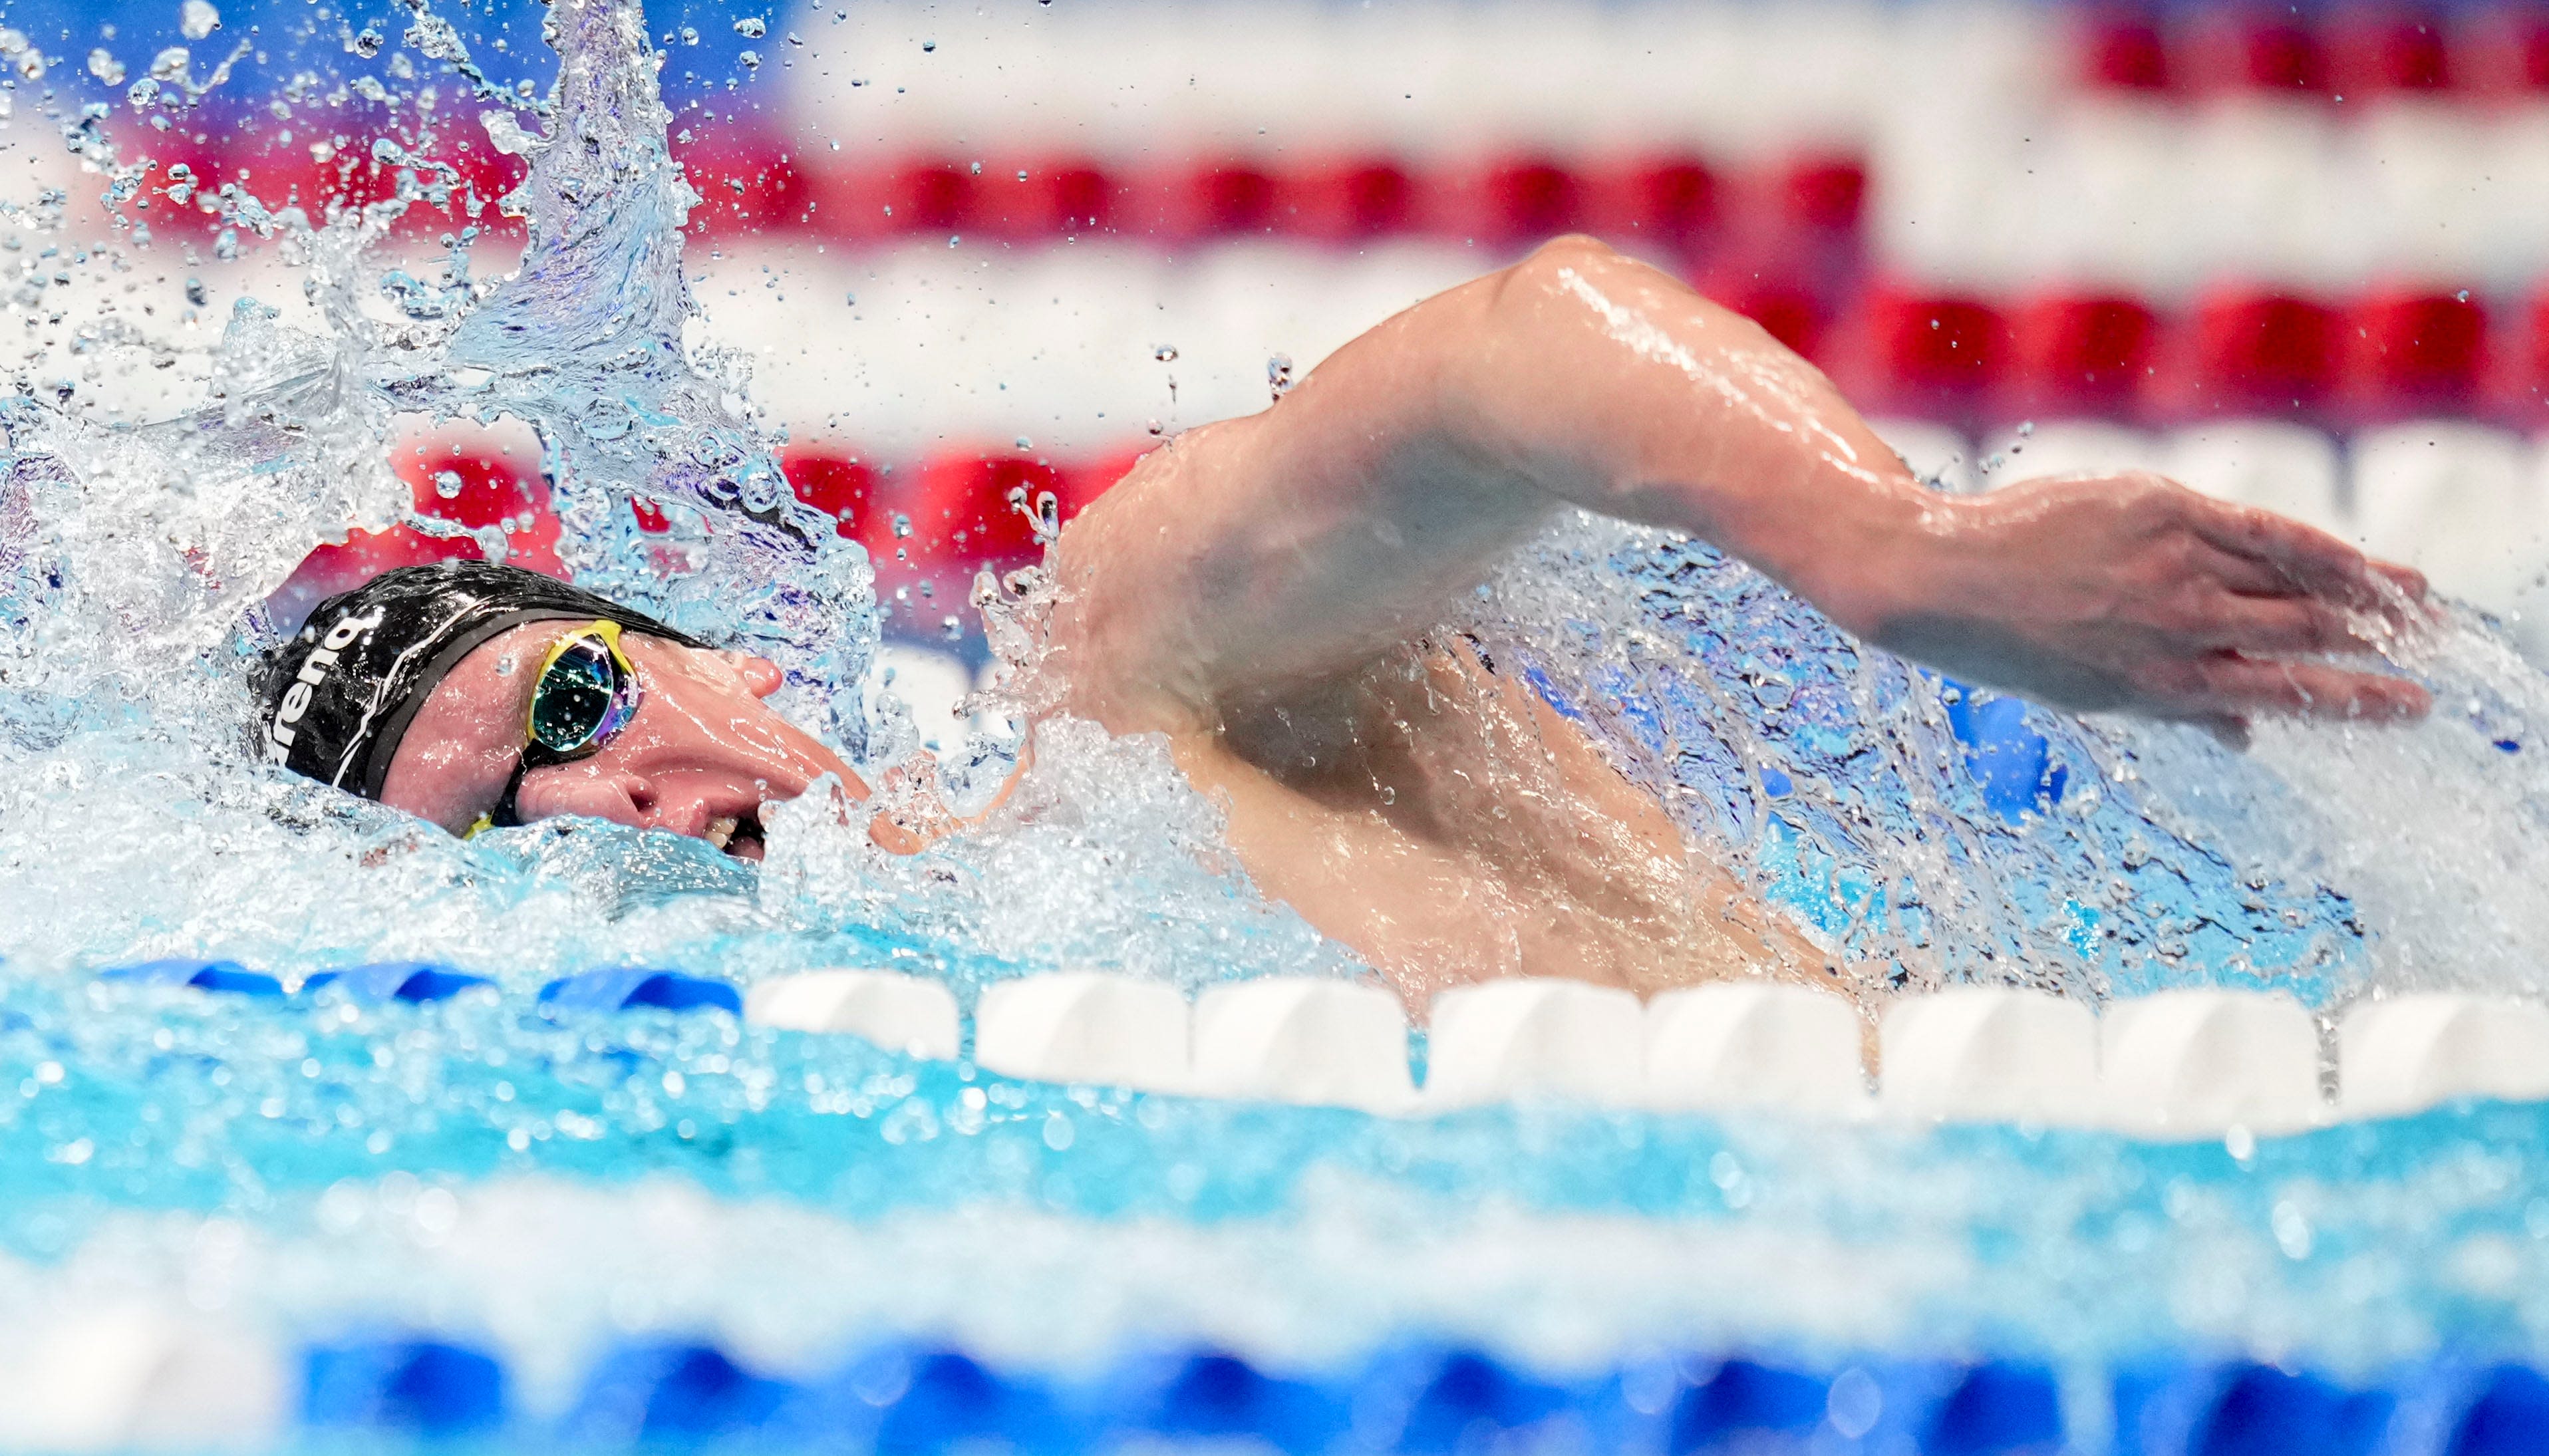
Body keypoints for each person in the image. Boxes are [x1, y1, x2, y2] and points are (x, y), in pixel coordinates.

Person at [254, 236, 2430, 1005]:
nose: (620, 803)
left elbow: (1516, 354)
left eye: (579, 697)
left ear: (721, 647)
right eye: (514, 830)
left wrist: (1906, 561)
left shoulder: (1111, 705)